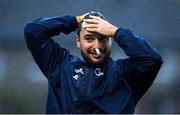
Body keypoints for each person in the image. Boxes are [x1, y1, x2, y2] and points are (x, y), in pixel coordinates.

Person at [24, 11, 163, 114]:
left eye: (103, 38)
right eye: (89, 38)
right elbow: (33, 31)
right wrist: (75, 20)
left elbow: (152, 59)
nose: (97, 46)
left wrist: (116, 32)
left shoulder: (125, 75)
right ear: (78, 42)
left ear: (111, 41)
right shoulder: (60, 67)